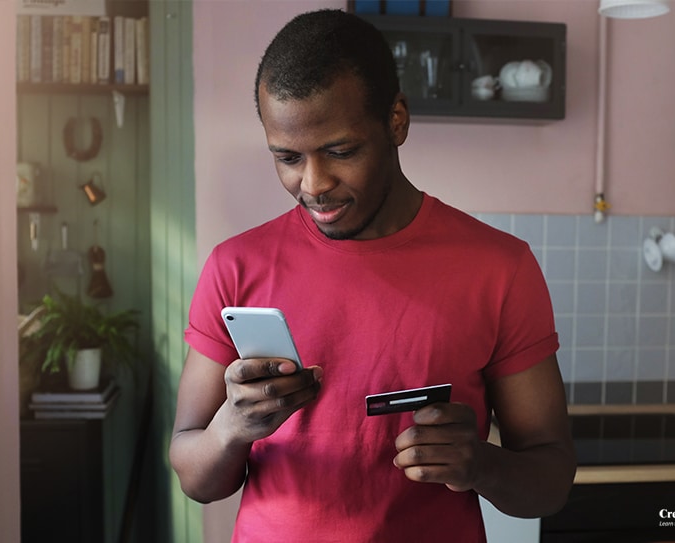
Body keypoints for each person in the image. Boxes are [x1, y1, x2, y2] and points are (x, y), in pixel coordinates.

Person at [170, 8, 575, 542]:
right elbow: (195, 475)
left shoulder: (500, 269)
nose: (313, 184)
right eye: (288, 157)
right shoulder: (235, 267)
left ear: (396, 121)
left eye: (340, 151)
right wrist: (231, 429)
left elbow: (550, 483)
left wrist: (480, 464)